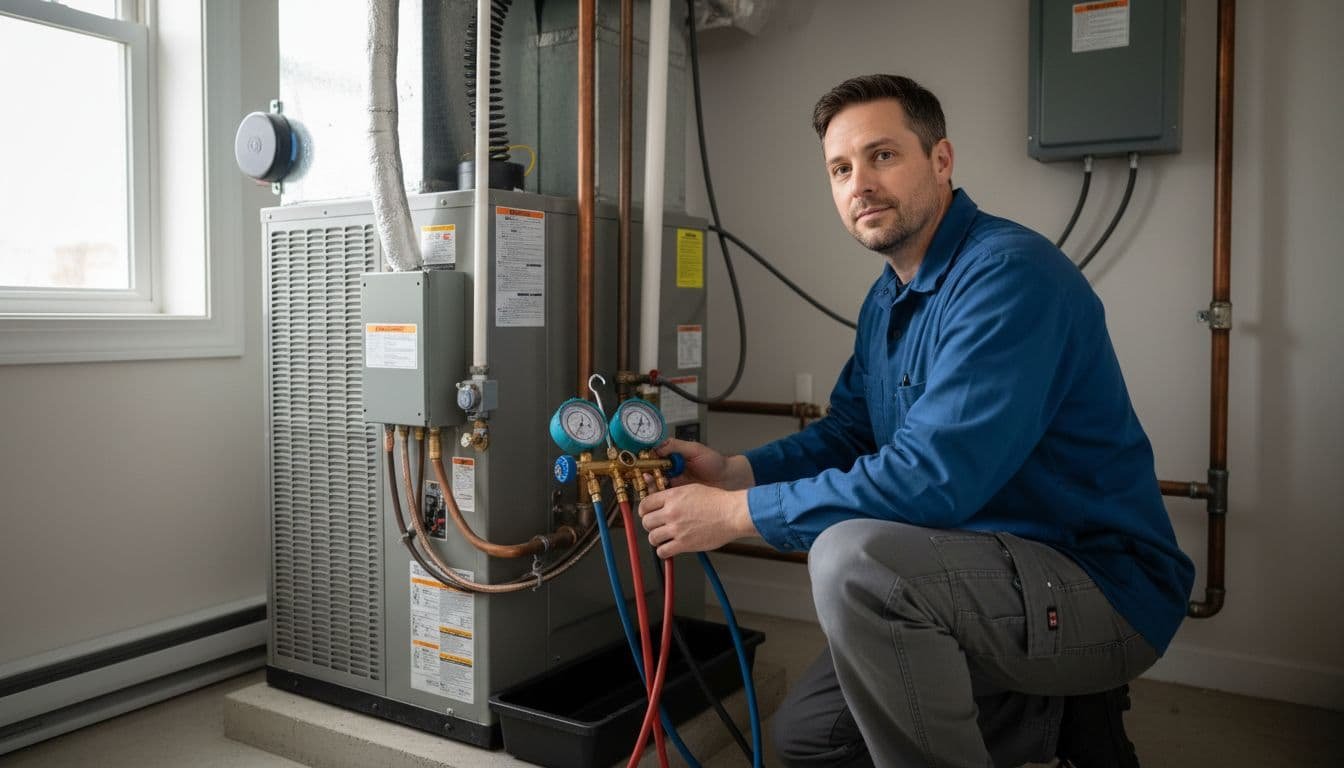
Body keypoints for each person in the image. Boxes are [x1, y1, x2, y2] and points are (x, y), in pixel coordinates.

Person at [638, 74, 1194, 768]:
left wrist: (735, 514)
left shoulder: (1010, 277)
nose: (859, 184)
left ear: (940, 161)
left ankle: (1075, 698)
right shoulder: (888, 299)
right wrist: (736, 471)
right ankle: (1055, 719)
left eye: (883, 156)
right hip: (983, 572)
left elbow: (933, 482)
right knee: (811, 737)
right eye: (840, 169)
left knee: (856, 560)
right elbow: (849, 432)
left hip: (1097, 585)